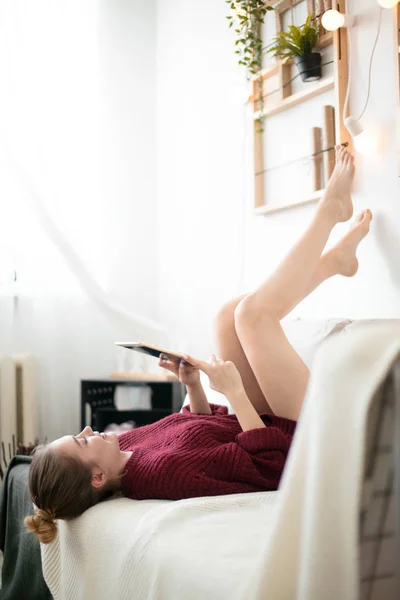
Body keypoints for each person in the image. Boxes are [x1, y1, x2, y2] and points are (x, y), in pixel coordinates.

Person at [25, 146, 372, 544]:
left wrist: (192, 387)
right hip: (301, 451)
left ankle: (335, 262)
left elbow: (203, 432)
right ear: (97, 477)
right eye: (83, 440)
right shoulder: (162, 476)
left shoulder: (124, 449)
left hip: (270, 428)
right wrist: (235, 392)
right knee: (252, 317)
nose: (89, 429)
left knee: (227, 316)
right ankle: (329, 212)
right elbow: (268, 466)